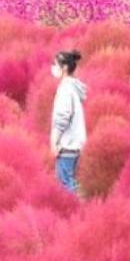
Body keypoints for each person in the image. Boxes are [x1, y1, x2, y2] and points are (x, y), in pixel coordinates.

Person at [50, 50, 87, 195]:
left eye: (55, 64)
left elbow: (62, 118)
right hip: (75, 144)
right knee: (69, 182)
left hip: (67, 145)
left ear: (64, 68)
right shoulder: (73, 88)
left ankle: (74, 213)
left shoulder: (65, 89)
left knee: (65, 185)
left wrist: (54, 142)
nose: (53, 68)